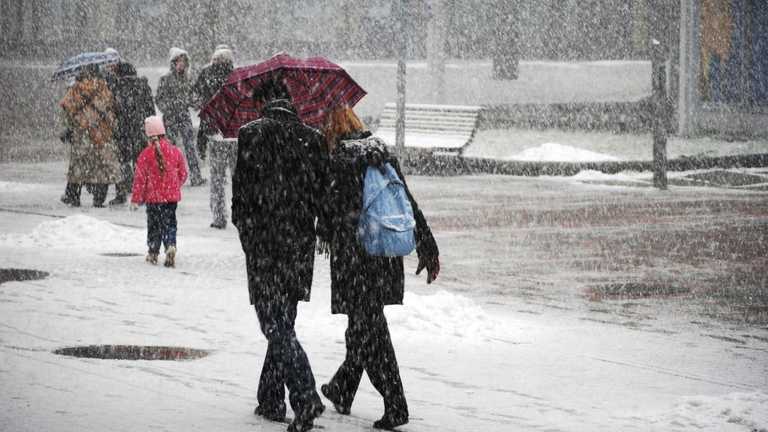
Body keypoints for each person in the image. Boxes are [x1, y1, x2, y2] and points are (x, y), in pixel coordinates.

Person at [316, 106, 440, 430]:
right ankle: (342, 388)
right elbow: (407, 202)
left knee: (372, 334)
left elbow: (330, 216)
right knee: (362, 326)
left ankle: (395, 404)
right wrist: (427, 245)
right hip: (384, 255)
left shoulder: (340, 161)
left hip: (357, 260)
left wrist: (322, 220)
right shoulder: (381, 152)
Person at [231, 77, 329, 432]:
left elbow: (239, 200)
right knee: (282, 322)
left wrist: (249, 236)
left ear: (264, 103)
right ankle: (271, 398)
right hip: (298, 247)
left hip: (264, 248)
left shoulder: (251, 135)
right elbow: (322, 196)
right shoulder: (314, 139)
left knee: (273, 325)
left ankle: (305, 396)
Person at [59, 64, 123, 208]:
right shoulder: (103, 88)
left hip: (82, 134)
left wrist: (74, 124)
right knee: (102, 169)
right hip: (101, 134)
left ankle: (74, 198)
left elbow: (66, 107)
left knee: (78, 168)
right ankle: (98, 200)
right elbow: (112, 109)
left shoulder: (76, 89)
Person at [131, 115, 188, 267]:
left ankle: (153, 252)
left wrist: (136, 199)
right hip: (171, 199)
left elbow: (140, 179)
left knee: (154, 226)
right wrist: (175, 185)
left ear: (148, 135)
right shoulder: (175, 151)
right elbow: (183, 173)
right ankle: (170, 245)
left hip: (153, 199)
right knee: (170, 224)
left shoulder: (145, 155)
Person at [192, 45, 236, 229]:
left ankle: (219, 217)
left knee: (217, 180)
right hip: (234, 135)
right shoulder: (236, 77)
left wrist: (201, 105)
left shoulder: (206, 75)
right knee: (238, 179)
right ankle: (241, 215)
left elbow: (193, 96)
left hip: (215, 135)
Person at [156, 47, 205, 186]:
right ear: (173, 62)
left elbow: (190, 97)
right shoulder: (165, 78)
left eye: (184, 61)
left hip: (184, 116)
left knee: (190, 147)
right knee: (170, 148)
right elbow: (159, 99)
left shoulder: (187, 79)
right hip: (170, 117)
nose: (182, 64)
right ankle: (170, 177)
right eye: (179, 61)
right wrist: (168, 108)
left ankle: (195, 177)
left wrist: (197, 104)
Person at [108, 61, 156, 206]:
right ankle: (142, 194)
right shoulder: (143, 86)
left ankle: (121, 193)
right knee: (140, 163)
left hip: (123, 129)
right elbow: (150, 109)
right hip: (140, 129)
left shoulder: (117, 87)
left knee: (123, 162)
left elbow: (114, 110)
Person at [193, 44, 234, 160]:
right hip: (213, 106)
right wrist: (199, 101)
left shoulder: (231, 71)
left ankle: (211, 152)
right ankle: (204, 151)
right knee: (205, 131)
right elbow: (196, 88)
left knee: (209, 131)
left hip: (220, 108)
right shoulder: (207, 71)